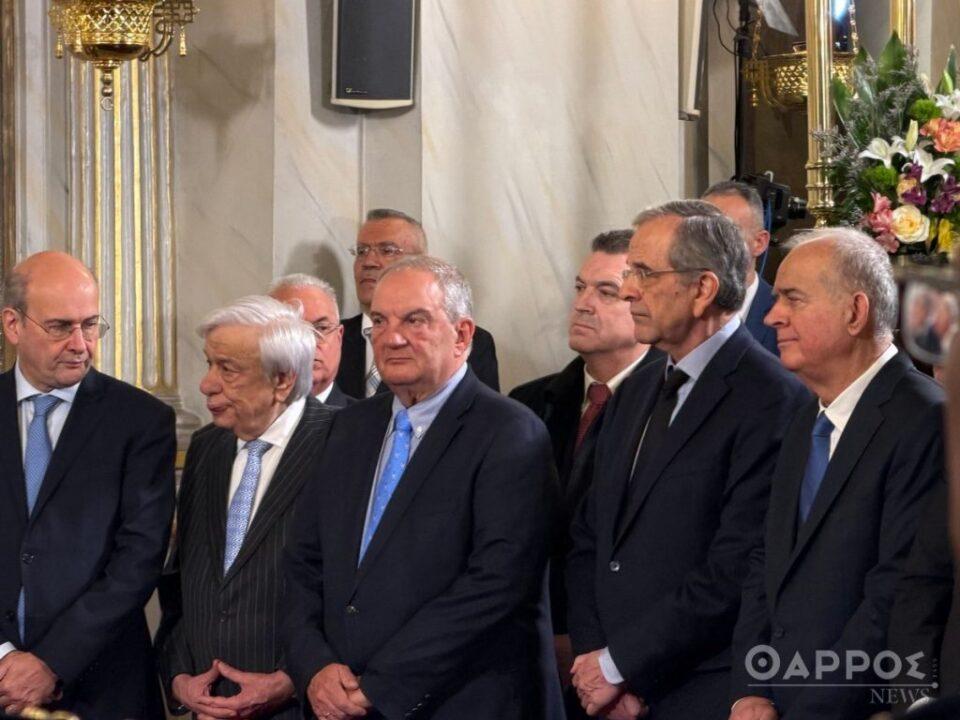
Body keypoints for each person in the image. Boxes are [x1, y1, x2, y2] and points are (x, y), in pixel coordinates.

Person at [283, 256, 560, 719]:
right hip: (339, 698)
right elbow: (303, 562)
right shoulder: (348, 427)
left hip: (460, 703)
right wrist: (315, 667)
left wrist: (380, 685)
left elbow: (497, 585)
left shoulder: (511, 433)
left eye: (415, 320)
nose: (391, 338)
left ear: (462, 334)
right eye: (379, 322)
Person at [566, 201, 805, 720]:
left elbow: (734, 568)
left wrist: (623, 666)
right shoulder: (637, 387)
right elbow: (589, 534)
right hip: (604, 689)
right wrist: (596, 660)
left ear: (703, 289)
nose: (628, 290)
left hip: (697, 689)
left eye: (644, 273)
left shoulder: (772, 399)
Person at [729, 227, 944, 720]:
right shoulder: (805, 416)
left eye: (793, 299)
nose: (772, 316)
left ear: (855, 312)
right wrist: (750, 690)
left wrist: (813, 708)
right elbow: (766, 561)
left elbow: (896, 592)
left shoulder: (924, 419)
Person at [0, 251, 176, 719]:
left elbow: (138, 558)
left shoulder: (141, 421)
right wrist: (4, 656)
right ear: (13, 325)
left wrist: (51, 662)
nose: (80, 344)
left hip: (101, 688)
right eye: (60, 327)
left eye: (91, 325)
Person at [156, 296, 335, 720]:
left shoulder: (342, 441)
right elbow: (183, 580)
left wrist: (293, 680)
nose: (206, 384)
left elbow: (354, 594)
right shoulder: (206, 446)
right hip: (208, 706)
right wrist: (179, 676)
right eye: (209, 364)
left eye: (228, 369)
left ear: (282, 380)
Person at [509, 229, 660, 707]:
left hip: (628, 656)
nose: (582, 304)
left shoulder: (669, 405)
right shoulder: (527, 404)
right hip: (530, 645)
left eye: (606, 292)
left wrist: (592, 646)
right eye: (580, 288)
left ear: (645, 301)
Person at [336, 208, 500, 397]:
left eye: (387, 250)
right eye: (361, 251)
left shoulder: (463, 339)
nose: (369, 262)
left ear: (420, 262)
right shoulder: (332, 337)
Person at [702, 180, 778, 355]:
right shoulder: (675, 313)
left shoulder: (785, 318)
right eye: (703, 231)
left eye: (727, 231)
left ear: (759, 243)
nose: (711, 242)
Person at [269, 274, 355, 407]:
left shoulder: (365, 418)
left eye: (321, 328)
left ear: (339, 337)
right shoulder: (242, 415)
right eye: (294, 329)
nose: (310, 343)